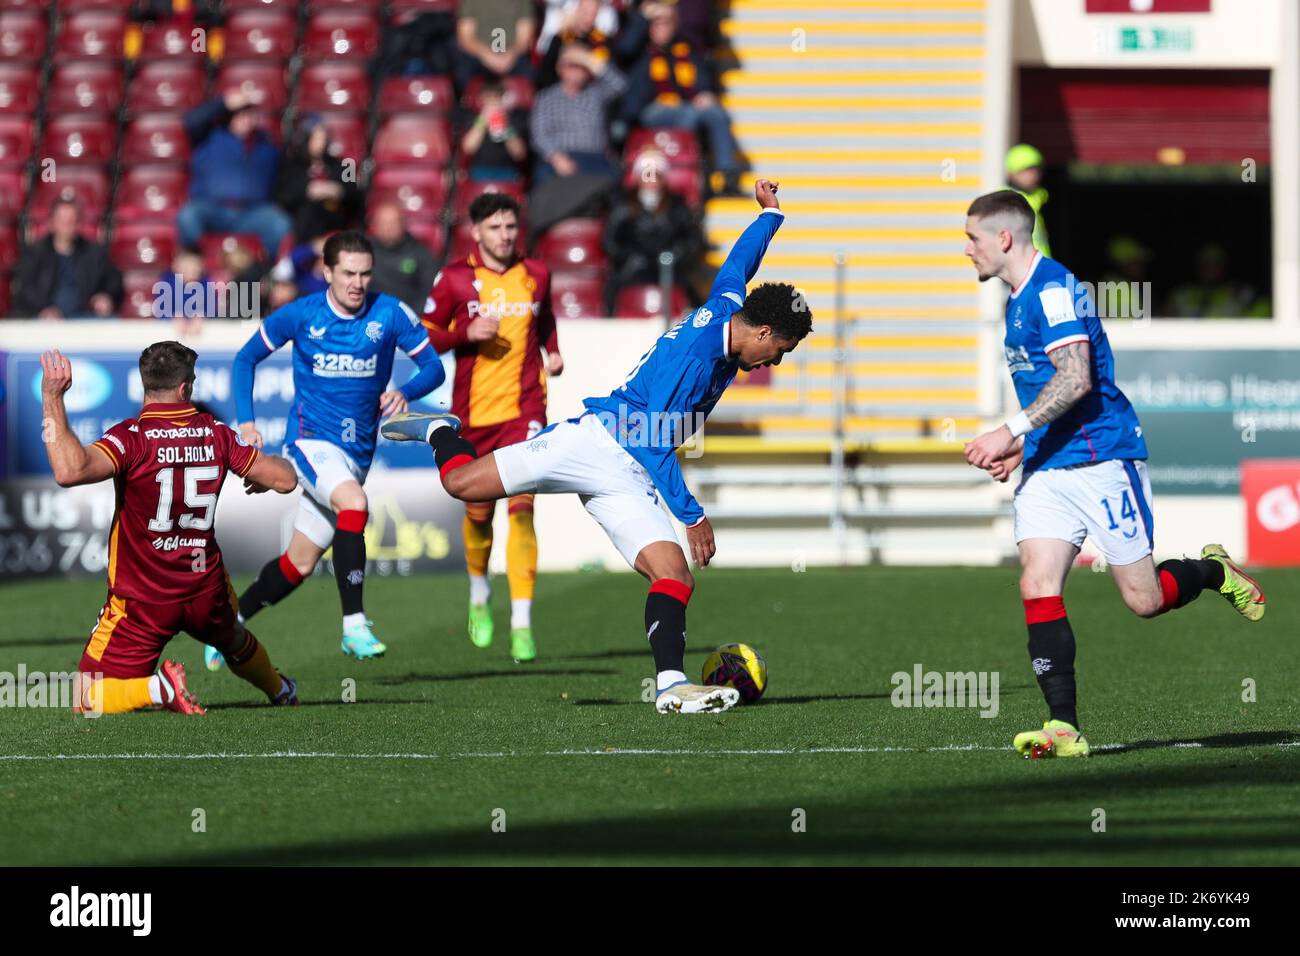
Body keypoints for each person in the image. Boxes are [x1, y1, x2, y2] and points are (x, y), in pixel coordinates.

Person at [386, 179, 808, 713]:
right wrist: (693, 515)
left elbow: (740, 262)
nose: (776, 361)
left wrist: (770, 216)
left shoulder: (728, 305)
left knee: (673, 574)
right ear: (764, 332)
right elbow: (652, 443)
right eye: (780, 350)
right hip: (593, 442)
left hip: (628, 475)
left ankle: (671, 687)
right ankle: (439, 430)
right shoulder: (697, 360)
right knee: (460, 484)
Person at [961, 190, 1267, 758]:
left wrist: (1009, 430)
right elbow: (1050, 389)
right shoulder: (1017, 299)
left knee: (1145, 601)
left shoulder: (1053, 291)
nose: (967, 250)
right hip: (1049, 468)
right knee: (1036, 584)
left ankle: (1212, 571)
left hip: (1102, 461)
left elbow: (1076, 379)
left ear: (1003, 238)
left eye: (972, 238)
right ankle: (1063, 726)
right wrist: (1024, 448)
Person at [221, 232, 450, 669]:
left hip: (357, 454)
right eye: (348, 273)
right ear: (326, 272)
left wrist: (405, 391)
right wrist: (247, 422)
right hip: (309, 441)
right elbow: (245, 358)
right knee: (354, 503)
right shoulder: (301, 314)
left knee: (299, 563)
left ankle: (228, 626)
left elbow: (434, 367)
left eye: (365, 274)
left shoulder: (390, 313)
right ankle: (354, 626)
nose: (357, 283)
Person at [40, 342, 300, 715]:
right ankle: (280, 689)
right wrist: (264, 473)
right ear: (185, 388)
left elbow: (69, 470)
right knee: (233, 638)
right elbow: (285, 480)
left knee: (85, 698)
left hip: (144, 597)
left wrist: (53, 398)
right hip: (204, 589)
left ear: (145, 383)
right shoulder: (216, 433)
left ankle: (159, 689)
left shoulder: (131, 436)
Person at [419, 193, 562, 663]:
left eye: (510, 226)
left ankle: (522, 622)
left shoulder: (536, 273)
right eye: (495, 227)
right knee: (479, 516)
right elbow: (424, 335)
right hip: (474, 416)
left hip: (525, 411)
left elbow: (545, 319)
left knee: (522, 511)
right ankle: (479, 591)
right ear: (476, 231)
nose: (504, 235)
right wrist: (465, 333)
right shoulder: (455, 278)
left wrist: (553, 352)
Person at [622, 2, 742, 197]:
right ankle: (694, 173)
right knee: (688, 114)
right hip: (650, 109)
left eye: (666, 23)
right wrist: (643, 17)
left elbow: (700, 77)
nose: (661, 28)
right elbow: (624, 49)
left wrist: (704, 93)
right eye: (656, 23)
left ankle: (728, 174)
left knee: (715, 113)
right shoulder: (640, 50)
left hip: (685, 106)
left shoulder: (685, 49)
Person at [176, 90, 292, 264]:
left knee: (279, 223)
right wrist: (223, 102)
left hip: (251, 212)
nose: (245, 119)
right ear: (229, 117)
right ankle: (195, 266)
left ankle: (269, 270)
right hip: (213, 209)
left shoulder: (266, 144)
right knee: (188, 216)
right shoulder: (210, 136)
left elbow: (284, 173)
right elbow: (191, 121)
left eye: (249, 114)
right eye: (239, 114)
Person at [603, 150, 704, 314]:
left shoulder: (677, 206)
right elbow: (611, 241)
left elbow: (692, 240)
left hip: (671, 269)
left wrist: (675, 256)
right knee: (612, 289)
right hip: (633, 269)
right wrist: (630, 257)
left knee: (692, 293)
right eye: (646, 175)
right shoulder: (624, 206)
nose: (651, 181)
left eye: (656, 175)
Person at [529, 44, 626, 184]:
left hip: (595, 157)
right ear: (559, 68)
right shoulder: (546, 98)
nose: (576, 71)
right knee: (543, 178)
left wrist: (587, 59)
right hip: (561, 156)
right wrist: (556, 157)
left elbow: (620, 85)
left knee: (615, 182)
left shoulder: (597, 93)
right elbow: (539, 134)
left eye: (581, 67)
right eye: (571, 66)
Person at [11, 199, 122, 319]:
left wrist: (105, 296)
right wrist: (43, 309)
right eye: (62, 220)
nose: (67, 225)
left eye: (72, 220)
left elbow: (113, 281)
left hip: (84, 317)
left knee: (113, 323)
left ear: (79, 224)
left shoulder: (94, 252)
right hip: (44, 319)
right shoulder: (34, 253)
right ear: (52, 223)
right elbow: (24, 289)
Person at [275, 114, 362, 244]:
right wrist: (308, 190)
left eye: (323, 138)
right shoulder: (291, 164)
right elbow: (283, 196)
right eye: (315, 138)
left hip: (334, 213)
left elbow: (356, 193)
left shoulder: (344, 164)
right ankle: (307, 249)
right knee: (309, 209)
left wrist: (338, 190)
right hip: (303, 217)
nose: (320, 143)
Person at [367, 201, 440, 314]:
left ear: (403, 224)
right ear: (374, 225)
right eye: (383, 223)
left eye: (393, 223)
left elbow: (430, 294)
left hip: (407, 317)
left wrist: (407, 317)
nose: (388, 228)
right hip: (367, 315)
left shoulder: (422, 255)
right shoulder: (363, 252)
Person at [455, 0, 536, 91]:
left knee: (527, 76)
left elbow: (524, 41)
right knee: (462, 74)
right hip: (479, 55)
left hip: (511, 56)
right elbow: (465, 39)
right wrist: (487, 55)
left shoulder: (522, 2)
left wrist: (509, 55)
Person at [461, 79, 530, 183]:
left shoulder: (515, 118)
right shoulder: (474, 118)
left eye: (496, 100)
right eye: (489, 100)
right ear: (481, 101)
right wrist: (482, 121)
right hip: (480, 171)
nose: (493, 105)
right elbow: (468, 148)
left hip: (508, 171)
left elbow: (519, 154)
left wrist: (506, 126)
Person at [1005, 143, 1050, 256]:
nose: (1034, 175)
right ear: (1012, 173)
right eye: (1027, 171)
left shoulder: (1038, 199)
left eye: (1036, 170)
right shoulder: (1005, 202)